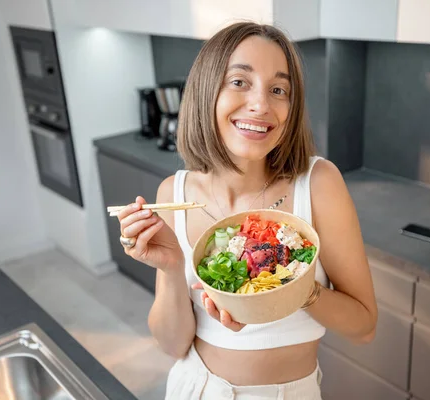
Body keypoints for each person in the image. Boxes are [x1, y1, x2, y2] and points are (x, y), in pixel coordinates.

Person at [116, 21, 378, 400]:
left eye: (278, 90)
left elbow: (364, 326)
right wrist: (172, 266)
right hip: (197, 388)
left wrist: (295, 291)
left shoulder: (318, 183)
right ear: (207, 90)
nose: (261, 105)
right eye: (239, 82)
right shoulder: (173, 193)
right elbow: (173, 346)